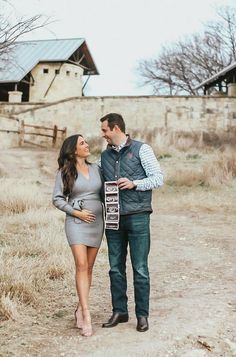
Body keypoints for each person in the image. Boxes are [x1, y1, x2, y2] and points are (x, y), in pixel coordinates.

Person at [100, 113, 163, 332]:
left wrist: (134, 183)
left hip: (138, 216)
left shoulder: (142, 149)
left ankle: (142, 315)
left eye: (105, 130)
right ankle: (120, 311)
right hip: (113, 219)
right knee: (115, 268)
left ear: (116, 128)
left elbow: (158, 178)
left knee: (140, 268)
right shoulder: (104, 156)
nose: (103, 134)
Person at [52, 134, 104, 337]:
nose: (87, 145)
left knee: (89, 268)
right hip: (76, 222)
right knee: (81, 265)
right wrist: (76, 212)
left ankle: (78, 307)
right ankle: (86, 313)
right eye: (82, 143)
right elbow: (57, 199)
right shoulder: (65, 171)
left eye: (85, 142)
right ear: (73, 149)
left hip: (96, 223)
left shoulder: (96, 168)